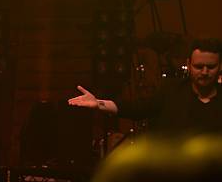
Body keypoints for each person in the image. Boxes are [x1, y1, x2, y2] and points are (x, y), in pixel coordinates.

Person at [68, 37, 222, 135]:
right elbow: (137, 108)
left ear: (220, 66)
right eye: (199, 66)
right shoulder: (171, 91)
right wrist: (99, 104)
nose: (204, 72)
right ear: (188, 64)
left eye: (211, 67)